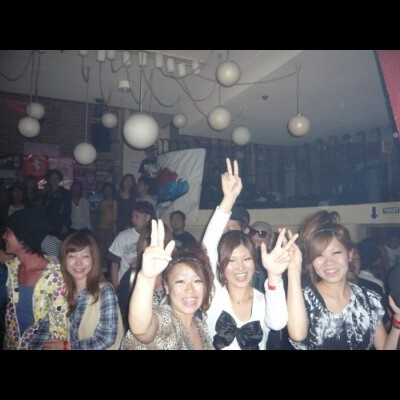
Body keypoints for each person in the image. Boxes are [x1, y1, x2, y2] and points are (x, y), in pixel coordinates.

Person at [203, 158, 293, 350]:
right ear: (220, 264)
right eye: (231, 260)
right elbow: (208, 245)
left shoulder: (263, 300)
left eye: (246, 259)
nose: (241, 268)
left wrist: (274, 275)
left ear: (255, 261)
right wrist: (229, 199)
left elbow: (278, 323)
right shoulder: (213, 293)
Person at [287, 210, 400, 350]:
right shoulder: (302, 299)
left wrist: (397, 321)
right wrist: (293, 269)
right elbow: (298, 335)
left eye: (336, 253)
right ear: (311, 261)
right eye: (319, 255)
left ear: (350, 254)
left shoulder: (368, 299)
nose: (329, 262)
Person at [120, 219, 214, 350]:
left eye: (197, 281)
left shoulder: (201, 327)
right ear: (167, 287)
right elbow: (141, 329)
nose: (189, 290)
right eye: (180, 281)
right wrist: (146, 277)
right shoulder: (164, 319)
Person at [44, 232, 124, 350]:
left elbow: (106, 339)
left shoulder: (105, 291)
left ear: (93, 259)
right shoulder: (62, 290)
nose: (78, 262)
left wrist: (66, 346)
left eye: (85, 256)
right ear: (64, 260)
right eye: (72, 256)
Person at [2, 207, 68, 349]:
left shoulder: (55, 276)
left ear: (23, 237)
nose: (4, 236)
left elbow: (60, 328)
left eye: (8, 232)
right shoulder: (13, 267)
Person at [108, 201, 155, 289]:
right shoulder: (123, 236)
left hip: (147, 285)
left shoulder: (155, 236)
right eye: (133, 216)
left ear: (148, 217)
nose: (134, 219)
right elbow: (114, 264)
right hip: (126, 285)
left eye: (137, 216)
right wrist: (116, 287)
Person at [41, 169, 71, 239]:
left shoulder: (64, 193)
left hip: (59, 222)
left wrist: (65, 225)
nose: (54, 179)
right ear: (48, 179)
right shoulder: (45, 194)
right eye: (52, 177)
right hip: (47, 223)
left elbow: (67, 210)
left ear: (59, 179)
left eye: (56, 177)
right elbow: (43, 209)